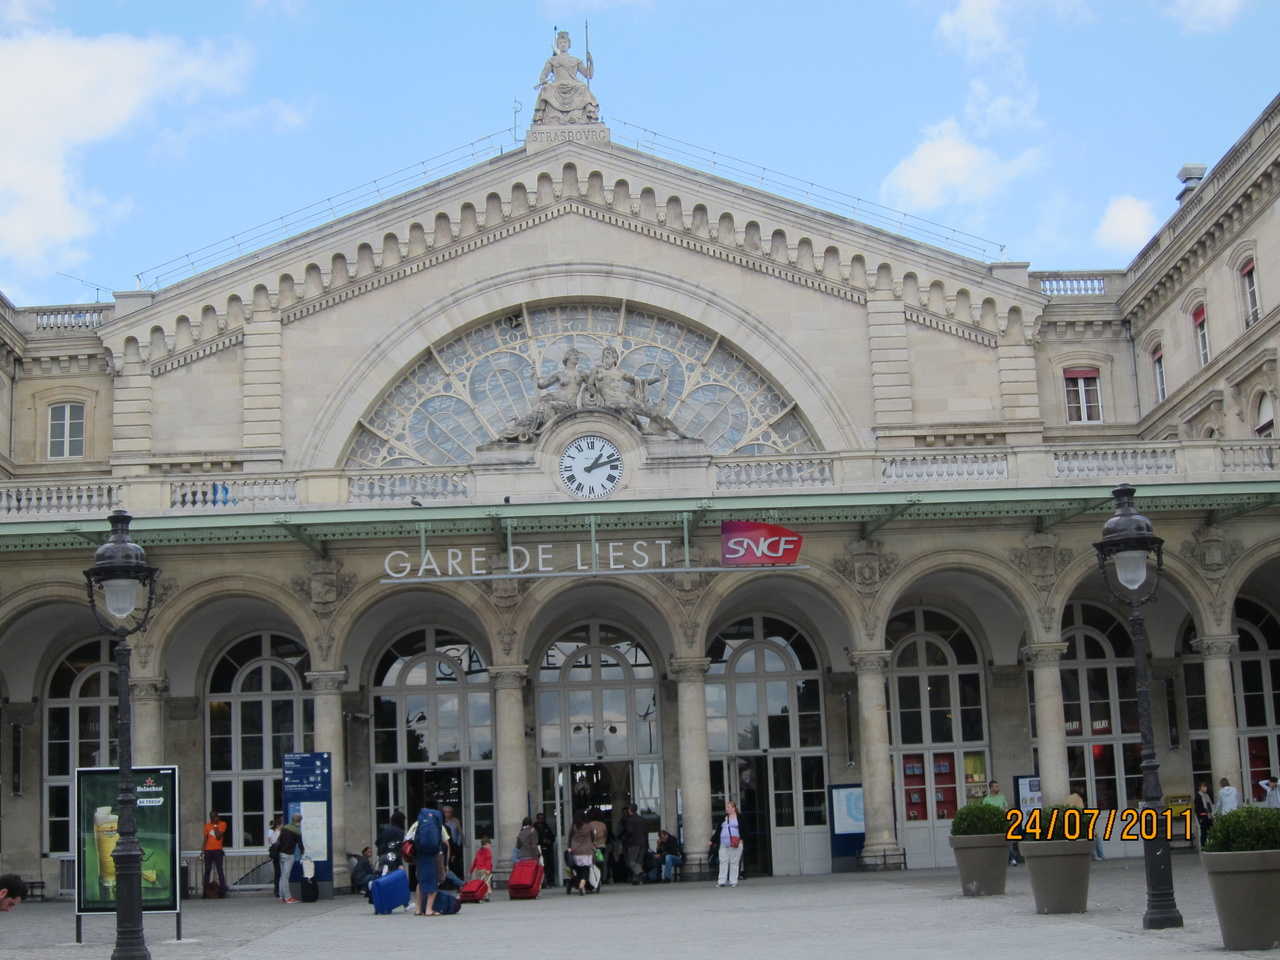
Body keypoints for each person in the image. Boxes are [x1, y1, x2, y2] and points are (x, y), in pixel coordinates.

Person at [587, 346, 690, 438]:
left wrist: (659, 378)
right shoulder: (597, 370)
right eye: (604, 354)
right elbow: (589, 384)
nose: (605, 355)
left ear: (615, 357)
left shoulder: (621, 372)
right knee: (624, 407)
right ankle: (640, 427)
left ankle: (679, 433)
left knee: (652, 413)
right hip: (610, 401)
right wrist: (592, 391)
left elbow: (640, 381)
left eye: (608, 353)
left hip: (625, 398)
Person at [532, 31, 598, 125]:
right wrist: (543, 80)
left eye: (564, 42)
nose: (563, 44)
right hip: (557, 84)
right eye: (560, 43)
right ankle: (540, 117)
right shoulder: (552, 60)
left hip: (574, 85)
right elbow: (543, 75)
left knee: (583, 89)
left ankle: (581, 116)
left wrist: (591, 62)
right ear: (558, 45)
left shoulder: (575, 60)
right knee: (546, 88)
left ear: (568, 44)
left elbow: (588, 75)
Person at [414, 801, 448, 917]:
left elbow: (408, 839)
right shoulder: (437, 823)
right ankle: (429, 910)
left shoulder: (418, 823)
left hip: (421, 855)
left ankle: (418, 909)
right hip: (434, 855)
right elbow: (446, 843)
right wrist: (446, 863)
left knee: (421, 881)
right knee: (434, 880)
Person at [982, 781, 1017, 864]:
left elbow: (1007, 808)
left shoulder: (1002, 797)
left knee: (1008, 839)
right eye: (996, 786)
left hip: (1003, 821)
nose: (998, 788)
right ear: (991, 788)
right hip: (993, 823)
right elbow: (984, 812)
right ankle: (995, 859)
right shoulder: (986, 800)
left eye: (998, 786)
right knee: (994, 840)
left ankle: (1012, 858)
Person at [276, 812, 304, 903]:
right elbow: (300, 845)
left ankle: (282, 896)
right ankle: (288, 897)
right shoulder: (297, 832)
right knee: (286, 876)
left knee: (282, 876)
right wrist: (302, 853)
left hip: (280, 853)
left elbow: (279, 840)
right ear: (299, 821)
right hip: (288, 854)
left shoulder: (284, 828)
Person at [715, 799, 743, 888]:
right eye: (727, 807)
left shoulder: (739, 818)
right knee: (723, 861)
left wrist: (742, 839)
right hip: (723, 842)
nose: (727, 809)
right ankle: (721, 881)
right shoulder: (724, 818)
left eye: (729, 807)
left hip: (735, 842)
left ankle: (733, 881)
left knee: (734, 861)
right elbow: (718, 830)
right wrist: (712, 840)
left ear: (734, 808)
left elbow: (744, 829)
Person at [567, 811, 596, 896]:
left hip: (576, 850)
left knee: (577, 868)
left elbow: (569, 837)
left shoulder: (573, 826)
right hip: (587, 850)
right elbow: (593, 836)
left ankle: (578, 882)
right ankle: (582, 885)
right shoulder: (589, 825)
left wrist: (569, 846)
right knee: (585, 868)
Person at [619, 803, 649, 885]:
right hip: (642, 842)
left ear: (630, 810)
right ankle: (636, 879)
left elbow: (629, 831)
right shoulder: (641, 819)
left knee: (632, 861)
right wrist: (647, 843)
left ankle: (641, 873)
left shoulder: (630, 820)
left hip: (633, 843)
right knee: (639, 861)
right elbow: (646, 832)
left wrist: (625, 838)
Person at [201, 809, 228, 898]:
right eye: (211, 818)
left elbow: (218, 836)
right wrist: (202, 851)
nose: (212, 819)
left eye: (214, 817)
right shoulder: (207, 826)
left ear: (217, 817)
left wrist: (215, 825)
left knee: (220, 870)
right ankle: (205, 891)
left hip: (217, 850)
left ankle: (223, 891)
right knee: (207, 871)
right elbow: (205, 840)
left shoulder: (223, 824)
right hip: (208, 850)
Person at [441, 804, 465, 888]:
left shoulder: (455, 822)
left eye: (449, 812)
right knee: (445, 868)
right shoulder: (441, 824)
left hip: (453, 846)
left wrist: (458, 844)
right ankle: (458, 883)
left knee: (450, 867)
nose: (447, 813)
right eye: (445, 812)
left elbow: (459, 833)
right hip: (444, 848)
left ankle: (459, 884)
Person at [534, 812, 557, 887]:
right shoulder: (535, 829)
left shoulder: (547, 827)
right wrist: (541, 841)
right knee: (542, 865)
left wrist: (549, 841)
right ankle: (542, 881)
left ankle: (551, 881)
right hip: (540, 848)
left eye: (542, 818)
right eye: (539, 818)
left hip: (549, 849)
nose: (541, 820)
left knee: (550, 865)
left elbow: (553, 838)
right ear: (537, 819)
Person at [266, 815, 284, 896]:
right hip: (280, 853)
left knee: (277, 873)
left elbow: (271, 842)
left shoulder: (272, 833)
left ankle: (277, 890)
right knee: (281, 873)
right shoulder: (280, 833)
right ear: (279, 825)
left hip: (274, 854)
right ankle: (279, 890)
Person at [1194, 780, 1215, 847]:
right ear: (1200, 788)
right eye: (1204, 786)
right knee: (1204, 832)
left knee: (1210, 830)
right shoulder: (1198, 796)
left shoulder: (1207, 796)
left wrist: (1211, 813)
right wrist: (1200, 818)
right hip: (1203, 816)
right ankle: (1203, 845)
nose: (1206, 788)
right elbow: (1197, 808)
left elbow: (1210, 805)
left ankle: (1210, 844)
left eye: (1206, 786)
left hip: (1208, 816)